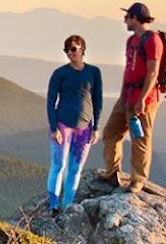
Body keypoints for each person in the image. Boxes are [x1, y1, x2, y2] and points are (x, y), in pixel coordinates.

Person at [99, 2, 163, 193]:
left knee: (140, 138)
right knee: (111, 133)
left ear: (135, 18)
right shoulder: (131, 41)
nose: (124, 20)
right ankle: (112, 172)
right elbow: (130, 69)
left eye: (127, 17)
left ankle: (138, 179)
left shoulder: (152, 40)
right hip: (126, 96)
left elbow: (153, 72)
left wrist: (142, 99)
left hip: (144, 98)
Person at [45, 35, 103, 216]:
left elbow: (97, 100)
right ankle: (54, 205)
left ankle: (67, 205)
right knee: (59, 165)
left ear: (82, 49)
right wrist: (54, 129)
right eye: (67, 50)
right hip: (63, 126)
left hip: (84, 128)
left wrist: (96, 127)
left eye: (74, 49)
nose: (70, 53)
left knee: (75, 169)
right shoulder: (60, 73)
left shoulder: (93, 72)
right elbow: (50, 101)